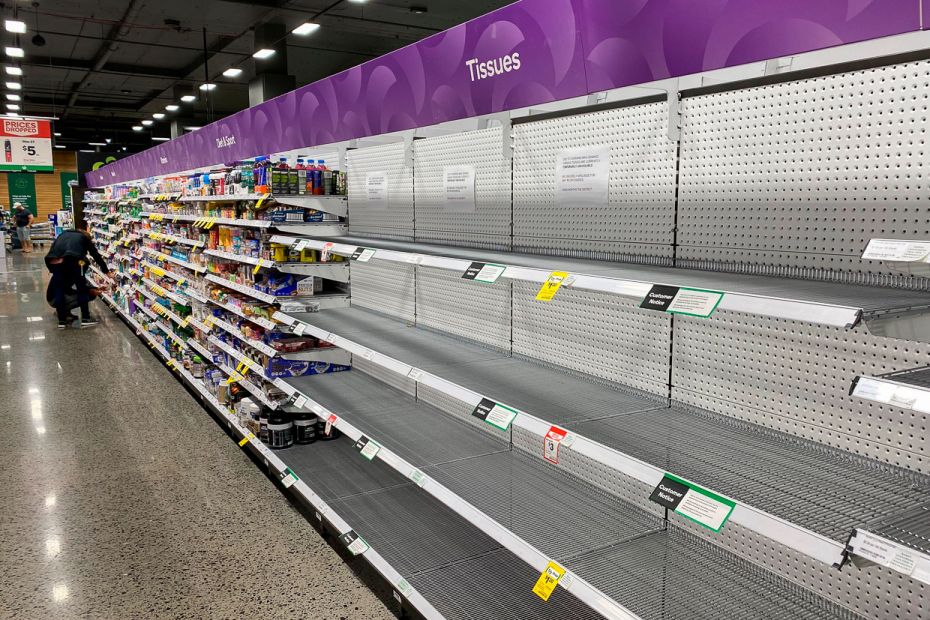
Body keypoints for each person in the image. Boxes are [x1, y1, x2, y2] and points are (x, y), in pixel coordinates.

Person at [45, 220, 113, 328]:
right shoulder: (84, 238)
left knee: (59, 290)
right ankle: (86, 318)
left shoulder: (63, 234)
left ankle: (62, 321)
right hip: (75, 261)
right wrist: (106, 271)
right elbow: (96, 255)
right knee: (81, 288)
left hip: (55, 262)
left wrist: (52, 269)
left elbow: (51, 251)